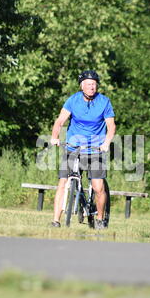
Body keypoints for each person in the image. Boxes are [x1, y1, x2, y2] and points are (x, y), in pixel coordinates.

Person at [50, 70, 116, 229]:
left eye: (94, 84)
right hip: (73, 147)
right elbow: (60, 121)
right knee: (63, 183)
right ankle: (56, 220)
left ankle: (100, 219)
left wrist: (106, 142)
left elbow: (111, 126)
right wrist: (55, 137)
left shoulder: (104, 102)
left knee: (98, 187)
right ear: (82, 86)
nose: (91, 87)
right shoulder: (73, 100)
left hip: (95, 149)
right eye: (88, 84)